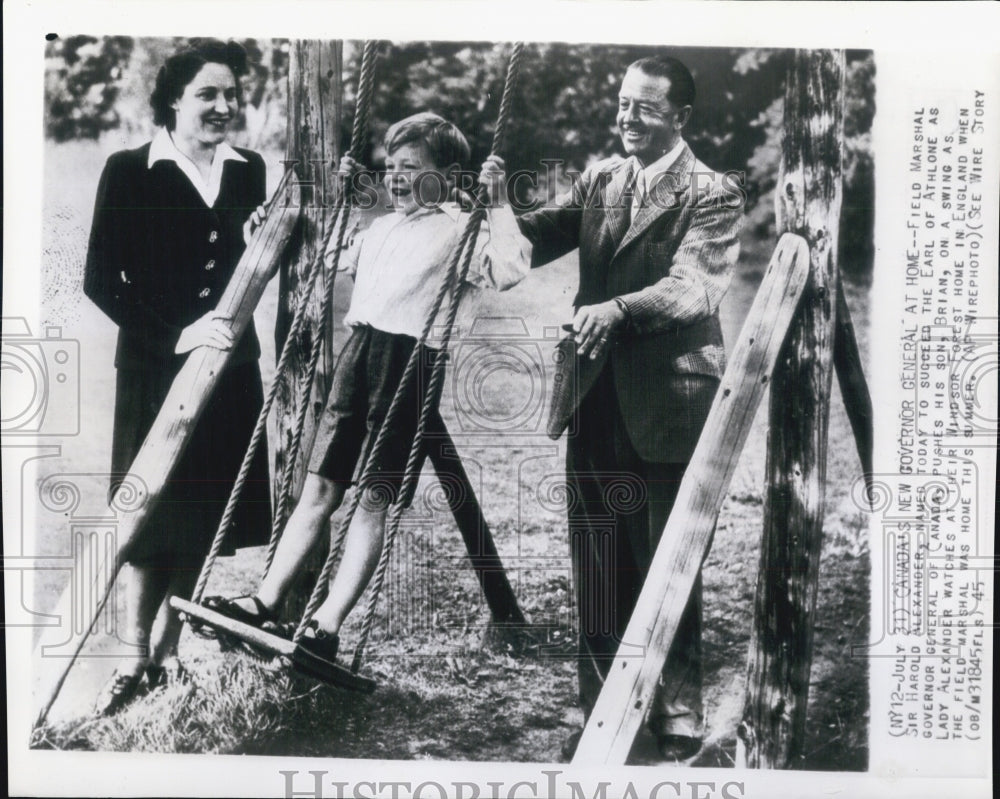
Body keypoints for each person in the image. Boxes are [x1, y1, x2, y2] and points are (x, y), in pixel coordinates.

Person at [203, 112, 532, 681]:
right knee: (320, 487)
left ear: (449, 176)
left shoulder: (463, 228)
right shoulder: (380, 229)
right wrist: (274, 223)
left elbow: (510, 268)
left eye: (413, 168)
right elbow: (327, 256)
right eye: (392, 167)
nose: (397, 177)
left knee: (373, 498)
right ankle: (265, 600)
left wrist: (498, 200)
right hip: (359, 356)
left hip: (411, 364)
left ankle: (326, 627)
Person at [502, 54, 743, 761]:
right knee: (599, 555)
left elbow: (693, 289)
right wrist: (485, 204)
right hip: (595, 396)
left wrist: (615, 309)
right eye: (622, 104)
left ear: (681, 118)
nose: (626, 118)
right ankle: (604, 705)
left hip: (671, 400)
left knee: (668, 556)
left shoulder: (714, 193)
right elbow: (532, 235)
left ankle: (677, 710)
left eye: (644, 107)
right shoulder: (600, 180)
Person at [83, 39, 272, 715]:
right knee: (152, 517)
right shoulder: (130, 170)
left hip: (231, 369)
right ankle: (132, 657)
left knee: (206, 514)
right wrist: (175, 335)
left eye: (230, 95)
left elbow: (258, 258)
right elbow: (101, 280)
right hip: (155, 368)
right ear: (173, 100)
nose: (224, 107)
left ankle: (167, 654)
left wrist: (262, 247)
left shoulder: (249, 170)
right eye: (207, 95)